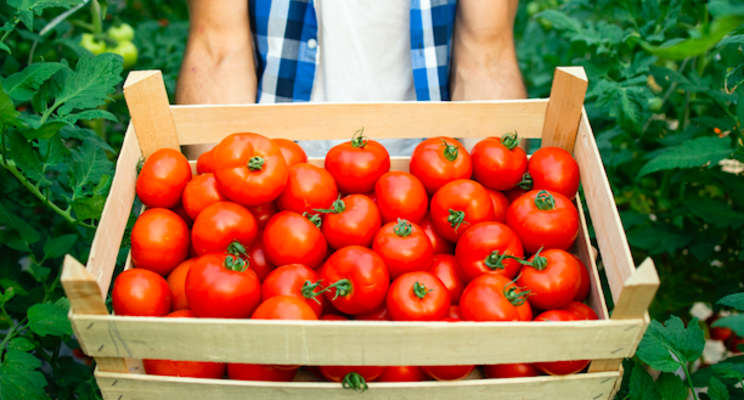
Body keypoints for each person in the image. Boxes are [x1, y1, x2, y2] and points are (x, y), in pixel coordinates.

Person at [177, 0, 526, 157]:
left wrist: (488, 219)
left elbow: (486, 56)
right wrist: (220, 210)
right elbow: (217, 49)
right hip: (272, 180)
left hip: (428, 190)